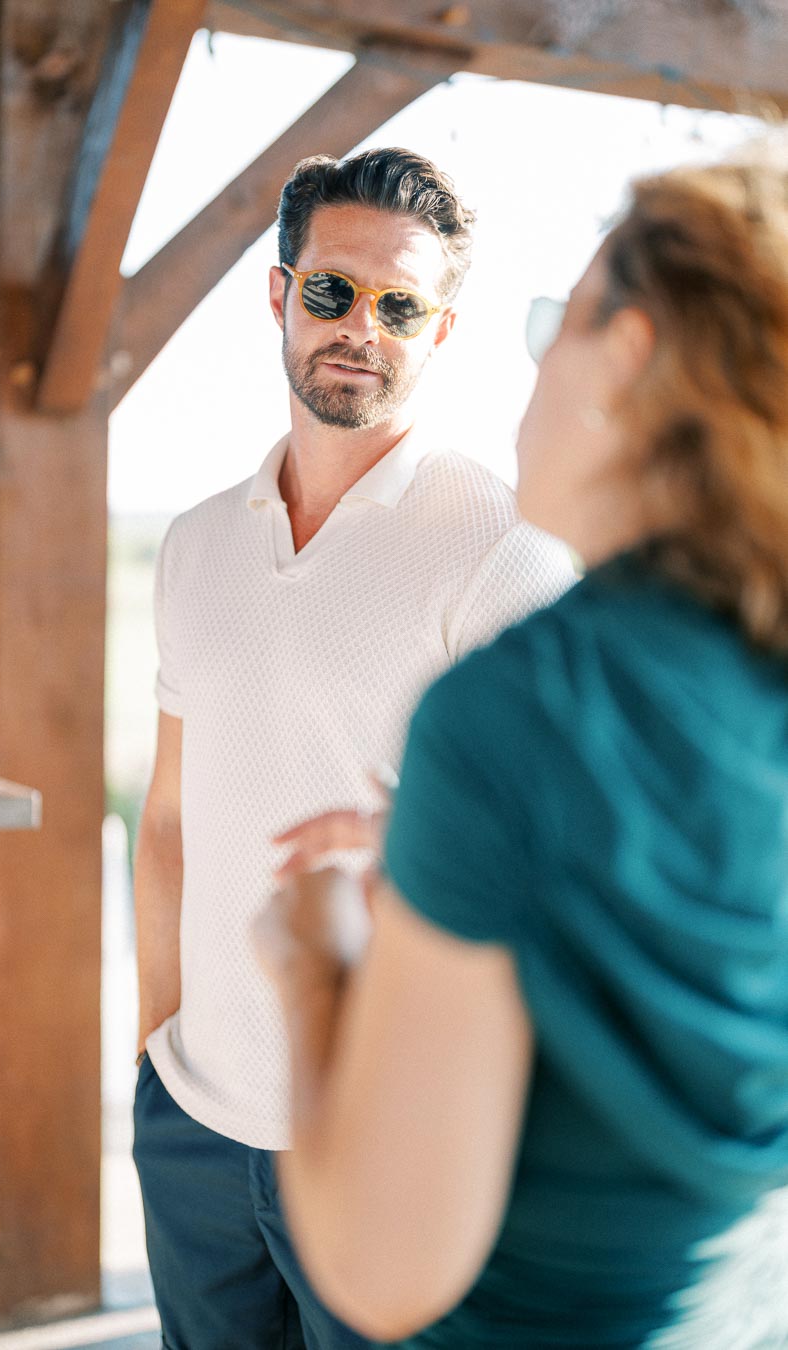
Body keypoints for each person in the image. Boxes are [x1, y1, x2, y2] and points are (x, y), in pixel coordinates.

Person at [255, 148, 788, 1348]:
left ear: (632, 355)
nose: (535, 360)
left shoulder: (522, 710)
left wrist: (314, 961)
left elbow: (381, 1275)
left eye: (559, 320)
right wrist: (444, 847)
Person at [132, 146, 574, 1350]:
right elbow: (169, 818)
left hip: (390, 1140)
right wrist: (158, 1044)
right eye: (331, 291)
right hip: (193, 1130)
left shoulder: (505, 553)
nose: (359, 328)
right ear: (279, 296)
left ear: (441, 330)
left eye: (400, 306)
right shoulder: (195, 544)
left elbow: (559, 862)